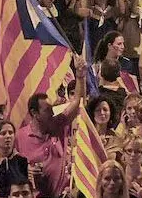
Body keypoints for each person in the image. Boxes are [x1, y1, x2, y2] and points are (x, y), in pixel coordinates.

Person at [14, 55, 87, 197]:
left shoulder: (58, 124)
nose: (52, 111)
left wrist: (80, 76)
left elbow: (79, 102)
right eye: (47, 110)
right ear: (34, 113)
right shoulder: (19, 136)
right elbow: (14, 169)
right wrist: (27, 170)